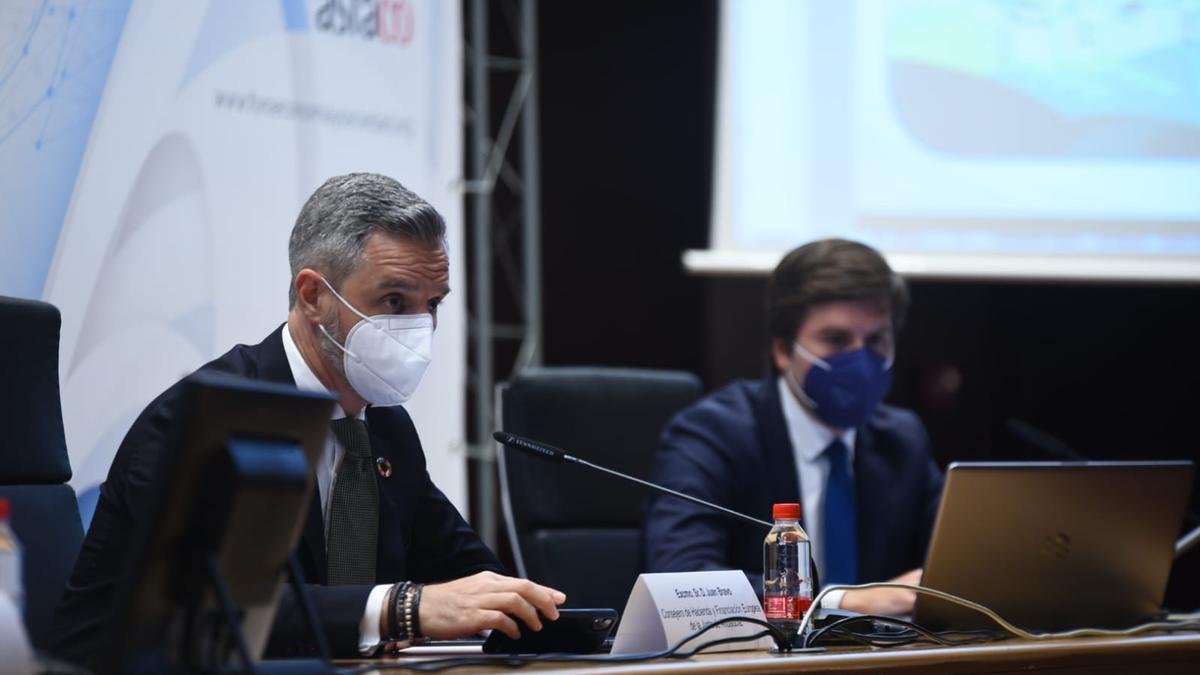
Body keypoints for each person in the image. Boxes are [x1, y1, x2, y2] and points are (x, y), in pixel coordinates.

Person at [52, 173, 565, 664]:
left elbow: (467, 573)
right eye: (394, 301)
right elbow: (210, 615)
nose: (419, 327)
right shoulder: (206, 420)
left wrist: (536, 612)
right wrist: (401, 609)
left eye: (431, 304)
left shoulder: (387, 428)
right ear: (314, 296)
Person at [642, 238, 942, 615]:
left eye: (875, 340)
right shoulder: (712, 434)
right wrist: (839, 601)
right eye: (836, 339)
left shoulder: (902, 440)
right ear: (783, 351)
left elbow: (956, 566)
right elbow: (681, 577)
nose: (860, 359)